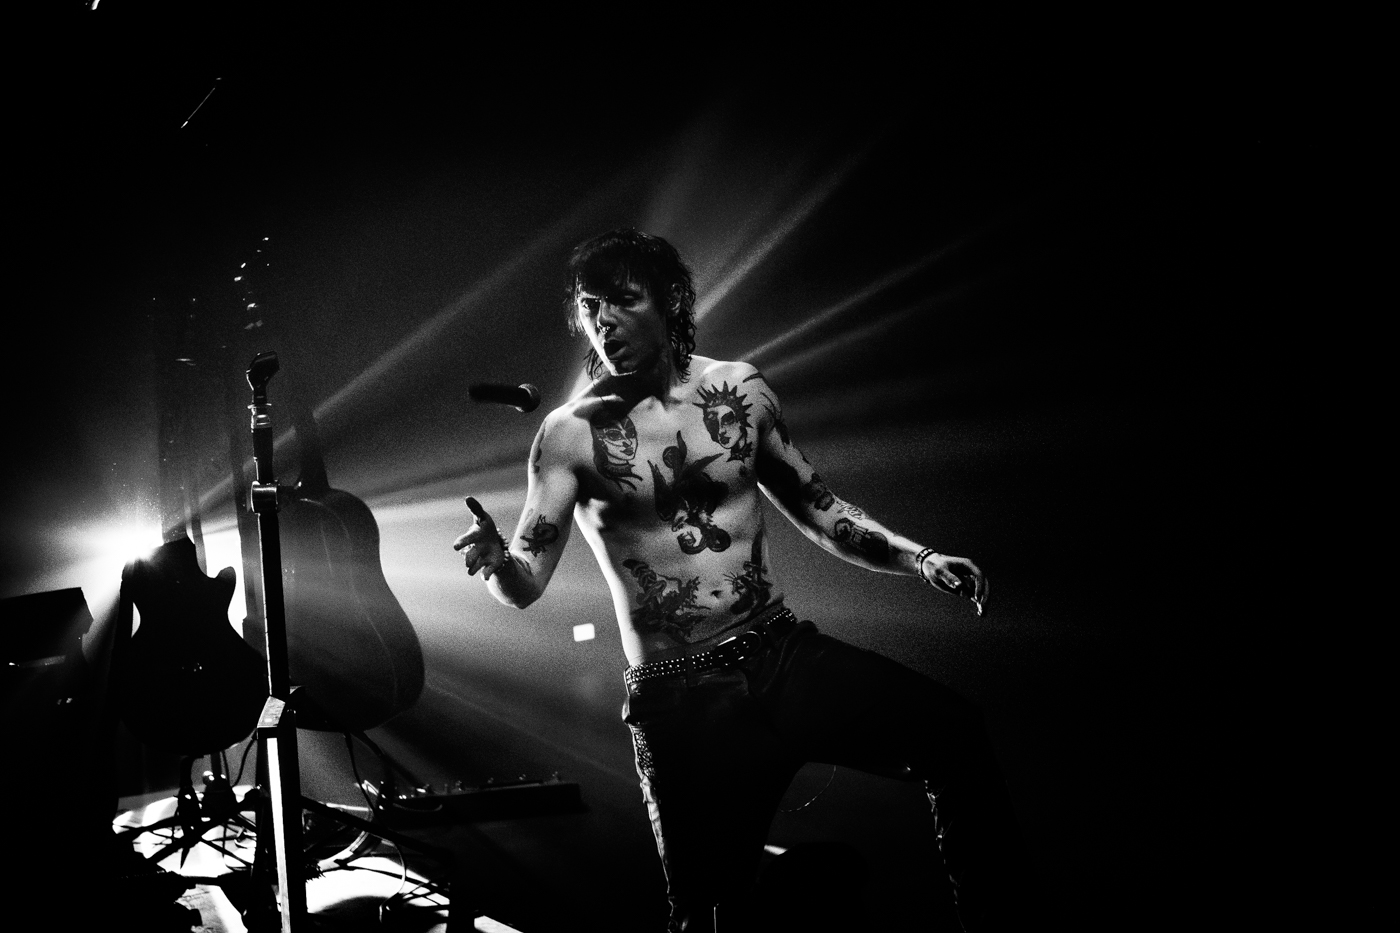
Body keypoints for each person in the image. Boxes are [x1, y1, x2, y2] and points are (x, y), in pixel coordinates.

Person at [454, 228, 1027, 931]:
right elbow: (524, 582)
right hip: (683, 697)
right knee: (704, 915)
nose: (604, 322)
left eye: (622, 301)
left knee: (955, 733)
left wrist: (921, 557)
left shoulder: (739, 389)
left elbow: (820, 508)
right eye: (591, 307)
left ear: (669, 300)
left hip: (782, 654)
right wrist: (495, 562)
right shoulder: (570, 433)